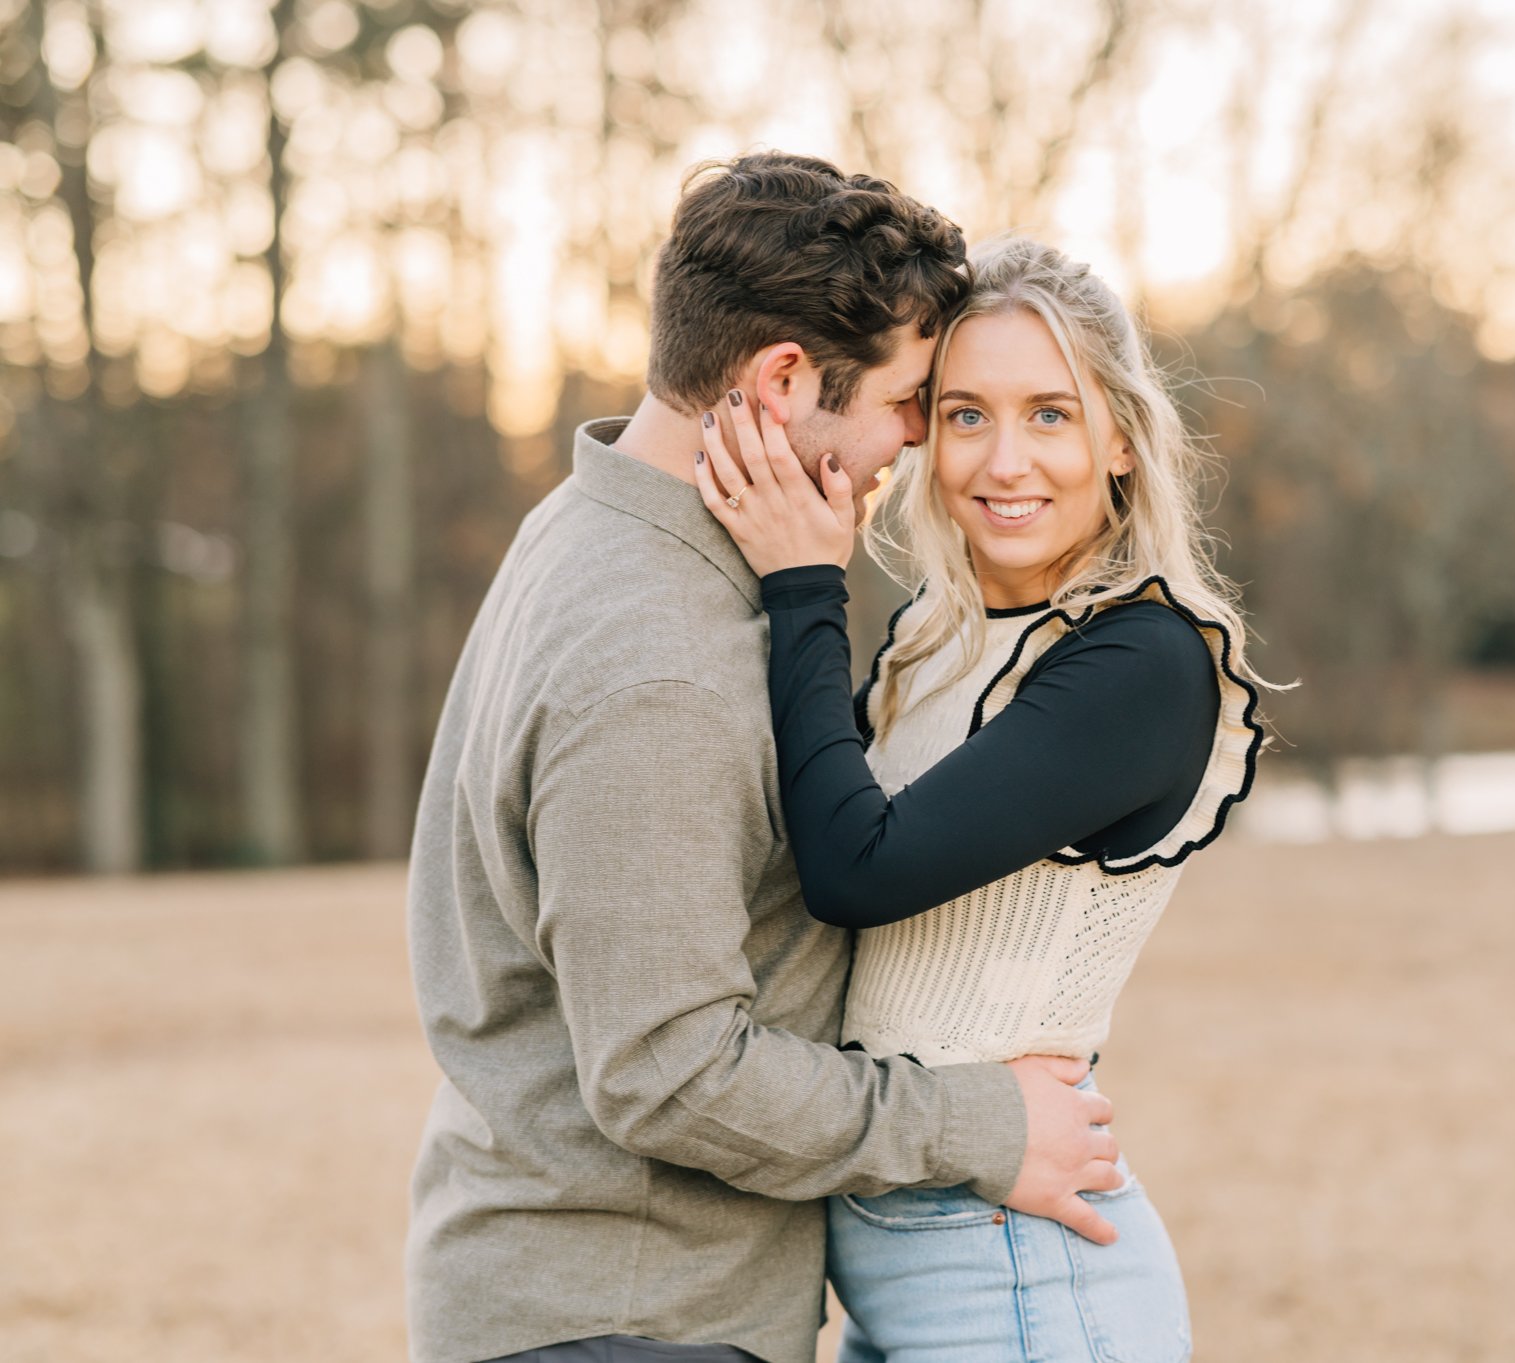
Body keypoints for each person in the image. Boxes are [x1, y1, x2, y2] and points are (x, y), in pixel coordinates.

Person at [404, 156, 1125, 1363]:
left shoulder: (592, 524)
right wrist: (981, 1122)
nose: (914, 437)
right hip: (624, 1322)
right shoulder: (659, 662)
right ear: (783, 378)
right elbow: (670, 1073)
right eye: (906, 397)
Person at [695, 236, 1268, 1363]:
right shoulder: (937, 641)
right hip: (899, 1247)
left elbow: (858, 868)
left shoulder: (1142, 661)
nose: (1005, 461)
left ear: (1118, 439)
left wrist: (804, 582)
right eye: (964, 415)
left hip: (1016, 1273)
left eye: (1049, 414)